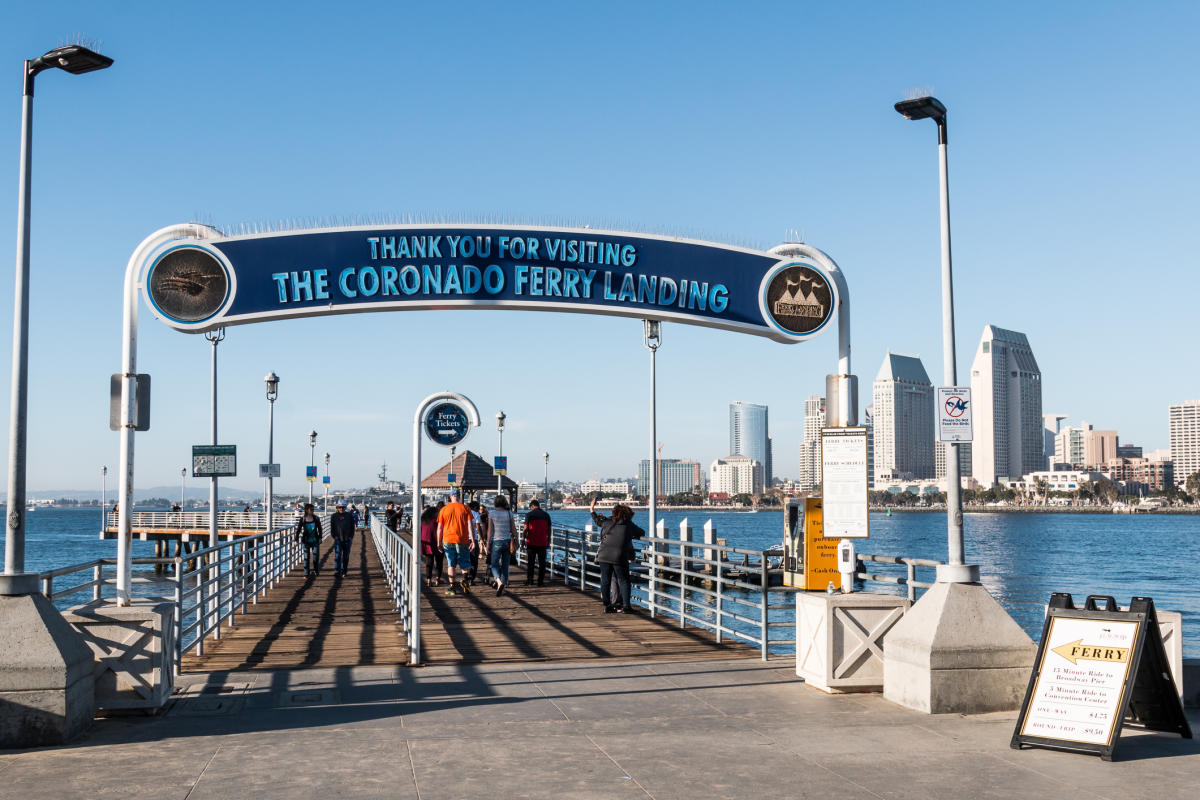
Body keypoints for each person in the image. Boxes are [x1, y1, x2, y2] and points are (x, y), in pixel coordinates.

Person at [591, 498, 643, 613]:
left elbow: (597, 521)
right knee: (623, 580)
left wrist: (592, 509)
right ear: (628, 515)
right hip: (619, 556)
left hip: (604, 555)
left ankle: (607, 605)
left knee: (605, 580)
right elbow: (641, 532)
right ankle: (626, 606)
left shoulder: (607, 522)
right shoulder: (628, 525)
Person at [436, 490, 475, 595]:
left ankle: (452, 587)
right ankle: (465, 579)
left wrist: (438, 542)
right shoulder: (465, 508)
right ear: (459, 496)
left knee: (451, 564)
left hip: (448, 540)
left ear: (450, 497)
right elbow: (470, 526)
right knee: (464, 563)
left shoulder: (444, 509)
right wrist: (473, 540)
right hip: (463, 540)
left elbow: (439, 528)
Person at [487, 495, 516, 595]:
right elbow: (513, 529)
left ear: (495, 503)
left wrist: (487, 545)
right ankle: (502, 587)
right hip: (507, 541)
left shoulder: (491, 514)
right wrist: (517, 540)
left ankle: (499, 582)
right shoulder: (509, 513)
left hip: (496, 541)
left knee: (494, 565)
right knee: (505, 566)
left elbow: (490, 532)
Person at [523, 498, 551, 587]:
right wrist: (548, 540)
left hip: (531, 542)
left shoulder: (529, 515)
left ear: (532, 506)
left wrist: (523, 538)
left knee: (531, 562)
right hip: (542, 542)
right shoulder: (546, 515)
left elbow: (525, 528)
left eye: (530, 507)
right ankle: (540, 581)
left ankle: (530, 580)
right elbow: (549, 529)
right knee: (542, 564)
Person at [295, 502, 324, 577]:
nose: (312, 511)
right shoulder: (303, 519)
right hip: (305, 540)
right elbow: (298, 530)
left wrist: (320, 537)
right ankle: (306, 573)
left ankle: (316, 570)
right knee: (306, 557)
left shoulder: (316, 518)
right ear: (307, 510)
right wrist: (296, 540)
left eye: (313, 509)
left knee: (315, 557)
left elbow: (320, 529)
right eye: (311, 509)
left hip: (315, 540)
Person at [330, 501, 355, 577]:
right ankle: (337, 571)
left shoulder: (349, 515)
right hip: (338, 539)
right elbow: (332, 528)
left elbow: (352, 527)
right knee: (337, 556)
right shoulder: (334, 516)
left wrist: (351, 537)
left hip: (347, 539)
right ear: (337, 507)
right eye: (339, 507)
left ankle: (344, 571)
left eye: (343, 507)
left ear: (345, 507)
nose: (341, 509)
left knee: (346, 556)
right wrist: (334, 536)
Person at [420, 505, 444, 585]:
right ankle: (437, 579)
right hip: (438, 542)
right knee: (439, 563)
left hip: (427, 544)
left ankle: (428, 580)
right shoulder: (437, 520)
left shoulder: (423, 520)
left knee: (429, 562)